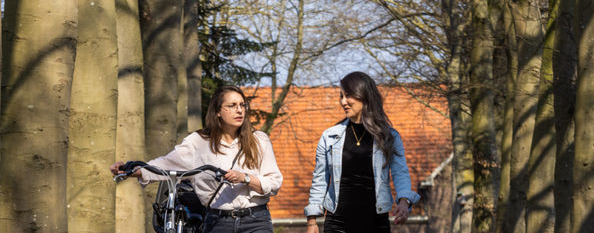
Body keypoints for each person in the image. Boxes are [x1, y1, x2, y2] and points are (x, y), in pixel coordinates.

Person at [110, 85, 283, 233]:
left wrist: (245, 178)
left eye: (242, 105)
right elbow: (165, 165)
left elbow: (274, 182)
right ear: (217, 112)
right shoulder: (198, 142)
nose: (239, 110)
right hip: (218, 222)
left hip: (256, 221)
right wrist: (131, 170)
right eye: (232, 105)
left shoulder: (259, 140)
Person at [304, 72, 421, 233]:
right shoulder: (329, 137)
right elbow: (320, 180)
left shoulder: (389, 137)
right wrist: (312, 221)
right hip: (337, 222)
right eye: (341, 96)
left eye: (348, 96)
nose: (343, 102)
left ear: (364, 96)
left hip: (375, 222)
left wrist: (404, 201)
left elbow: (400, 172)